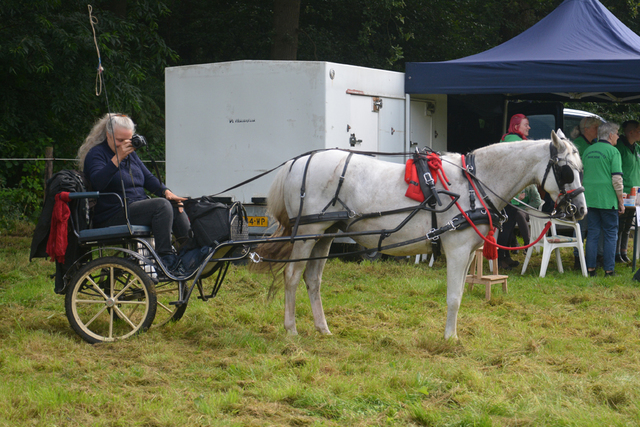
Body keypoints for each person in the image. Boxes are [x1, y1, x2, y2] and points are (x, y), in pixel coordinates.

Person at [77, 113, 190, 270]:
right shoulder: (96, 154)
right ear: (108, 135)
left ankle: (189, 254)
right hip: (112, 213)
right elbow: (97, 183)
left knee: (173, 205)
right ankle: (165, 259)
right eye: (120, 140)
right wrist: (117, 158)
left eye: (128, 140)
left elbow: (148, 178)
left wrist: (166, 192)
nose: (125, 144)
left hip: (136, 207)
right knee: (161, 206)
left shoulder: (131, 154)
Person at [497, 114, 541, 269]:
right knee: (506, 226)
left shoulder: (511, 139)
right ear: (516, 127)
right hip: (508, 193)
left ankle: (506, 256)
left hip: (509, 192)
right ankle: (500, 259)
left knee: (509, 227)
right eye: (526, 124)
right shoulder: (514, 141)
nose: (529, 127)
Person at [583, 122, 624, 277]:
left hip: (589, 198)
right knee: (610, 234)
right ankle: (609, 270)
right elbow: (617, 179)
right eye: (617, 134)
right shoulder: (614, 152)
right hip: (607, 199)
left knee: (592, 233)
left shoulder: (587, 151)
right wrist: (620, 201)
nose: (619, 137)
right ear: (610, 135)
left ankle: (590, 269)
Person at [571, 116, 602, 270]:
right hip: (581, 191)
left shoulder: (595, 144)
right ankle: (577, 257)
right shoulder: (578, 145)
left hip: (593, 191)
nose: (599, 131)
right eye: (596, 128)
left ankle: (594, 255)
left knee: (593, 226)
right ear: (587, 129)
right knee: (581, 225)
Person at [615, 120, 640, 263]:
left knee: (628, 225)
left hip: (636, 192)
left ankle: (623, 252)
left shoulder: (637, 148)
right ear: (631, 132)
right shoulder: (619, 147)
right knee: (619, 225)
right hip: (623, 193)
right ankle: (616, 253)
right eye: (638, 130)